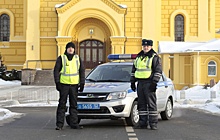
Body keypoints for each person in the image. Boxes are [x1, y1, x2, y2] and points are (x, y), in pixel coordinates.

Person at [130, 39, 162, 130]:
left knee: (151, 104)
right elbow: (134, 70)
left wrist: (154, 83)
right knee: (141, 104)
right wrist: (132, 82)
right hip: (140, 83)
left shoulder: (154, 57)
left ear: (151, 47)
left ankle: (153, 124)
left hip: (149, 83)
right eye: (144, 46)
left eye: (147, 46)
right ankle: (142, 123)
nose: (146, 47)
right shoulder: (138, 57)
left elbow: (158, 71)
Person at [54, 42, 85, 130]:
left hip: (74, 85)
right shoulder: (61, 58)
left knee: (74, 105)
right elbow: (56, 71)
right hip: (64, 85)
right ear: (66, 49)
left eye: (72, 47)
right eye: (69, 47)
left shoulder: (77, 58)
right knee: (62, 105)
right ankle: (59, 124)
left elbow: (81, 71)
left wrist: (82, 83)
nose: (71, 49)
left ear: (74, 49)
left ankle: (74, 123)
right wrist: (57, 83)